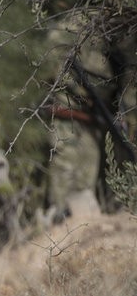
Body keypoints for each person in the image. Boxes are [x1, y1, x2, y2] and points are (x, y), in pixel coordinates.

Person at [42, 13, 137, 221]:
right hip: (68, 117)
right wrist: (81, 94)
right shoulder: (71, 28)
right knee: (64, 176)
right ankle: (56, 224)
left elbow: (126, 78)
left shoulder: (120, 34)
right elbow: (52, 68)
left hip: (95, 120)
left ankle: (79, 224)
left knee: (85, 181)